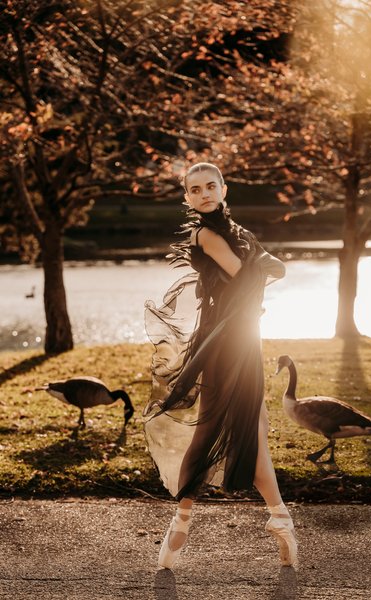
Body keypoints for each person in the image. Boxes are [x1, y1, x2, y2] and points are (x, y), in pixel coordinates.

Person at [144, 162, 297, 570]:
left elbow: (270, 271)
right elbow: (245, 274)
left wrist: (260, 273)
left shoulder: (240, 232)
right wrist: (260, 271)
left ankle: (194, 521)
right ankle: (274, 519)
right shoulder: (206, 234)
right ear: (188, 198)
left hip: (244, 336)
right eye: (195, 190)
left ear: (224, 188)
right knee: (223, 425)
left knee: (253, 425)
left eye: (211, 186)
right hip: (224, 341)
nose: (204, 193)